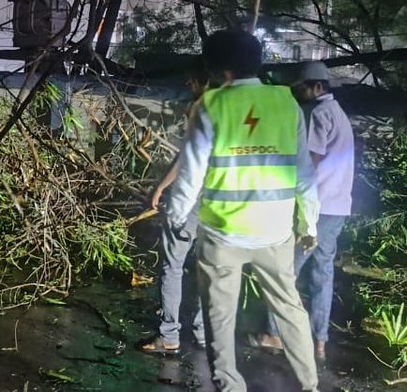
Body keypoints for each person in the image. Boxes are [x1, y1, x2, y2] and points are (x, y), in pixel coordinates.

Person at [167, 30, 320, 392]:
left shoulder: (211, 105)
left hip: (222, 233)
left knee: (220, 319)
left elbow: (191, 173)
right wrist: (308, 223)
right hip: (276, 231)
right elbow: (304, 174)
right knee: (290, 309)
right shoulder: (287, 104)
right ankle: (310, 385)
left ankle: (230, 386)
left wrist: (175, 217)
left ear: (214, 66)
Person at [258, 61, 355, 362]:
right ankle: (319, 342)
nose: (297, 93)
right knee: (322, 274)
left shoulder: (318, 114)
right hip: (338, 207)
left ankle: (274, 334)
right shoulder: (339, 114)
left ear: (316, 87)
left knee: (287, 270)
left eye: (300, 87)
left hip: (319, 208)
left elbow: (310, 162)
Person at [140, 74, 208, 354]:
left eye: (192, 81)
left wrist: (160, 188)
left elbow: (187, 159)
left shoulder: (203, 107)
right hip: (218, 202)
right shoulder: (233, 108)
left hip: (191, 200)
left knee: (172, 266)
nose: (189, 85)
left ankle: (169, 335)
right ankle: (205, 334)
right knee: (210, 269)